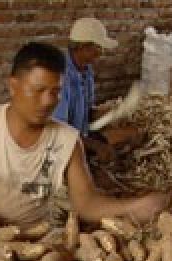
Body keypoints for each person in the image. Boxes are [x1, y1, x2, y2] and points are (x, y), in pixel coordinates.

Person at [0, 42, 167, 261]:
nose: (48, 101)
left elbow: (87, 204)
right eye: (38, 91)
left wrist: (135, 207)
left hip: (31, 243)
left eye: (55, 92)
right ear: (13, 86)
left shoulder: (67, 139)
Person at [53, 18, 132, 160]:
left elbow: (87, 114)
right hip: (62, 146)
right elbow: (59, 132)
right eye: (98, 47)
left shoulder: (86, 70)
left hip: (82, 136)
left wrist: (111, 113)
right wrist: (97, 146)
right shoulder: (61, 78)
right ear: (83, 47)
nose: (101, 52)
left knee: (133, 133)